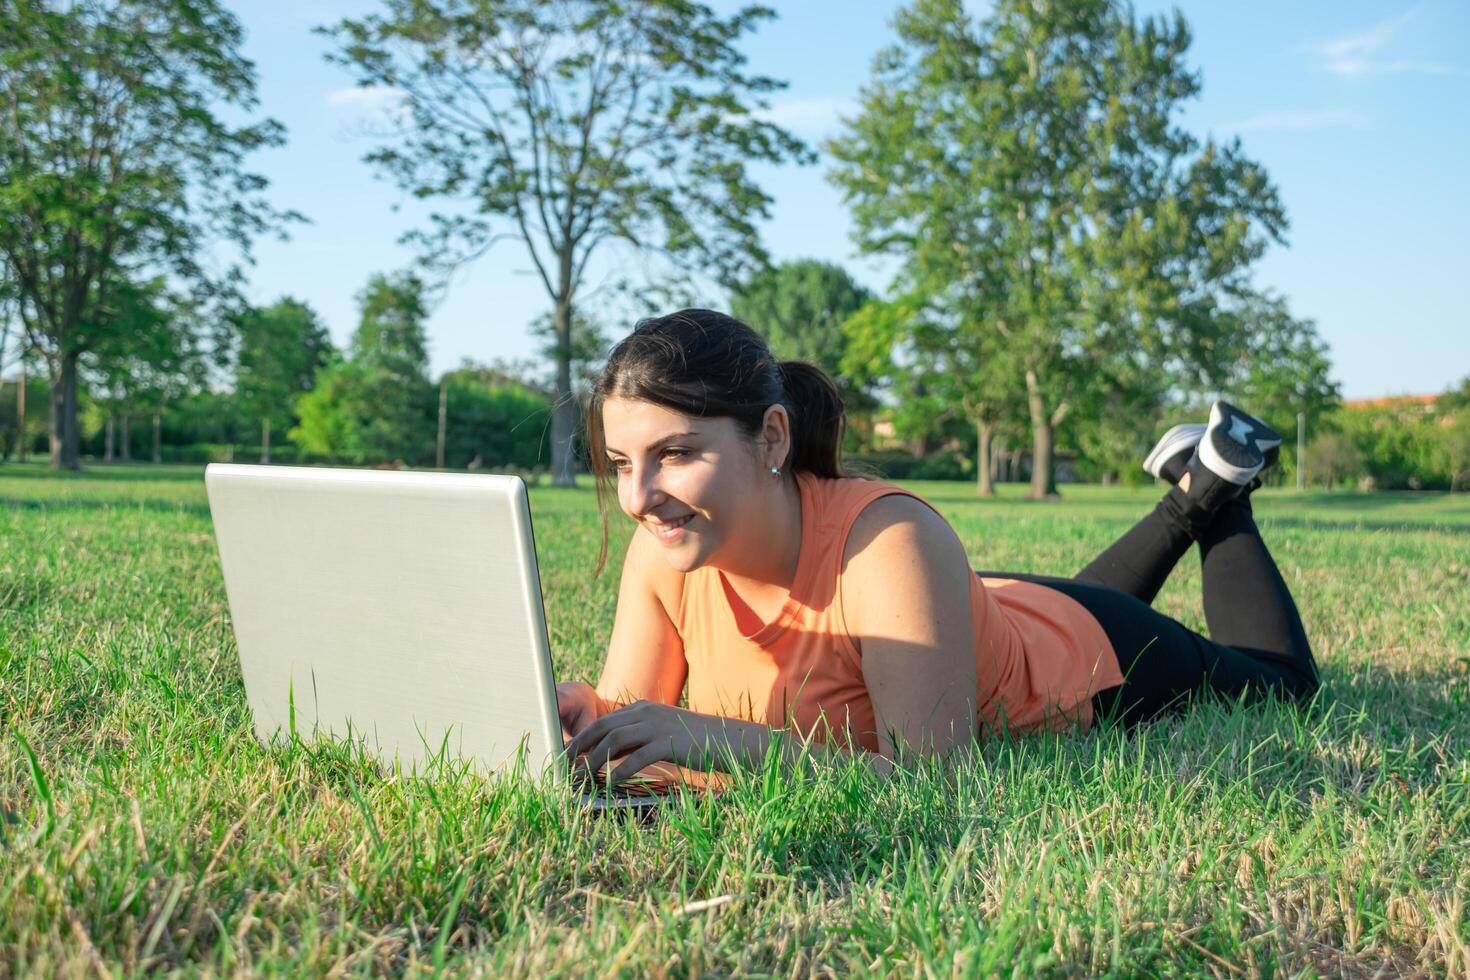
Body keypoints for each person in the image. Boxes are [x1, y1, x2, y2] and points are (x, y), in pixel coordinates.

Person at [560, 309, 1319, 786]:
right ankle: (1191, 492)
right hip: (982, 610)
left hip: (1087, 659)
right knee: (1032, 610)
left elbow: (930, 783)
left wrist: (719, 738)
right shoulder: (665, 547)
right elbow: (635, 718)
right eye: (624, 463)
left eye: (678, 454)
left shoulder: (888, 542)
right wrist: (576, 713)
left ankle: (1219, 486)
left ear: (772, 436)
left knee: (1284, 687)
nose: (637, 497)